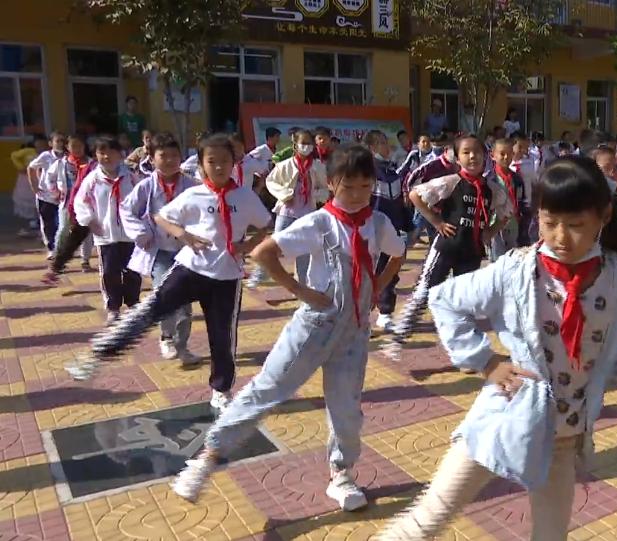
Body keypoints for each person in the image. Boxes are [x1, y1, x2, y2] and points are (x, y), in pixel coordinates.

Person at [377, 155, 617, 540]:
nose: (560, 236)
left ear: (603, 216)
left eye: (575, 225)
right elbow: (445, 300)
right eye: (549, 222)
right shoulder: (518, 269)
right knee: (431, 517)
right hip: (504, 418)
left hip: (564, 437)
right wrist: (486, 361)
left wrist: (607, 378)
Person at [170, 144, 405, 507]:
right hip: (313, 327)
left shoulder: (378, 222)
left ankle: (341, 476)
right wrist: (299, 289)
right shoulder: (318, 222)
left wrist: (376, 285)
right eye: (348, 187)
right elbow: (262, 252)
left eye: (364, 187)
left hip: (354, 332)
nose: (357, 195)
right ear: (331, 184)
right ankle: (206, 459)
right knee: (266, 391)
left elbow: (398, 253)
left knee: (346, 408)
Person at [66, 134, 272, 412]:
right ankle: (98, 354)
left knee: (222, 337)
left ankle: (221, 390)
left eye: (225, 161)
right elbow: (162, 216)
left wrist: (246, 245)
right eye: (212, 162)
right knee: (151, 309)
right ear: (201, 164)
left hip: (226, 276)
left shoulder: (245, 196)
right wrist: (184, 236)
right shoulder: (194, 194)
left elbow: (265, 225)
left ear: (234, 163)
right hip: (190, 269)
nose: (220, 167)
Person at [386, 135, 512, 354]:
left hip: (472, 252)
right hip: (445, 248)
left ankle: (465, 353)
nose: (472, 156)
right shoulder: (451, 182)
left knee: (465, 304)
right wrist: (436, 221)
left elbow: (506, 213)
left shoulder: (492, 189)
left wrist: (489, 232)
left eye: (477, 152)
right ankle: (397, 341)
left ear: (486, 156)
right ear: (457, 157)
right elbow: (416, 195)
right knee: (423, 292)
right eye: (466, 152)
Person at [120, 134, 199, 364]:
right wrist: (139, 233)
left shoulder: (192, 185)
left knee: (185, 301)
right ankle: (166, 337)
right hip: (160, 251)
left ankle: (182, 346)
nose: (170, 160)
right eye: (163, 156)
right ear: (152, 159)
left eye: (174, 156)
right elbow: (127, 210)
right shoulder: (146, 186)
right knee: (165, 293)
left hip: (186, 251)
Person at [72, 137, 141, 325]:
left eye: (110, 152)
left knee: (132, 271)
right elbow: (81, 202)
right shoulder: (93, 179)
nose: (106, 156)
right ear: (95, 155)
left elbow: (143, 199)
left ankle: (133, 303)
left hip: (130, 235)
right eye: (101, 152)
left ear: (120, 154)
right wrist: (89, 220)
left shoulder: (132, 177)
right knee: (109, 272)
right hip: (105, 235)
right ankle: (113, 307)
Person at [261, 129, 328, 284]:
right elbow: (271, 182)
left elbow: (325, 188)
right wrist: (285, 194)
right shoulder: (285, 165)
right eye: (303, 143)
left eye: (309, 144)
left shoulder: (317, 166)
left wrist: (314, 194)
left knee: (304, 251)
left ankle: (303, 284)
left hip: (307, 213)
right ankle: (262, 272)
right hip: (287, 212)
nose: (306, 147)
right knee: (275, 244)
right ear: (295, 145)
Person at [365, 130, 412, 332]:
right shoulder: (367, 172)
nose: (388, 147)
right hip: (369, 230)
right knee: (367, 273)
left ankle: (385, 313)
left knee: (390, 272)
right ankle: (362, 314)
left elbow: (398, 202)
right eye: (383, 143)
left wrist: (406, 224)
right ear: (372, 148)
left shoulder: (392, 171)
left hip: (390, 229)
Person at [40, 133, 97, 280]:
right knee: (64, 229)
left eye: (80, 146)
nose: (77, 149)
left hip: (87, 205)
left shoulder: (92, 165)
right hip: (68, 203)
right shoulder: (62, 163)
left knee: (86, 233)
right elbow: (49, 178)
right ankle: (57, 255)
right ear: (67, 147)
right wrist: (55, 191)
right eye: (74, 146)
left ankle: (85, 260)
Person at [403, 133, 458, 246]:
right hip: (425, 205)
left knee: (437, 237)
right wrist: (408, 193)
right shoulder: (432, 163)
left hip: (441, 208)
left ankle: (431, 258)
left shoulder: (457, 166)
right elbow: (411, 178)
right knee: (415, 233)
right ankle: (397, 253)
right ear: (446, 150)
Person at [487, 138, 530, 261]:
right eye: (502, 154)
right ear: (493, 155)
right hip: (494, 225)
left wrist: (523, 216)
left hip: (513, 222)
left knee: (513, 258)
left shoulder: (517, 178)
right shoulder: (488, 179)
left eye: (510, 153)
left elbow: (521, 198)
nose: (506, 157)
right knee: (497, 260)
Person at [27, 131, 68, 256]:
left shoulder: (68, 157)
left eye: (62, 141)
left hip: (63, 196)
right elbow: (31, 167)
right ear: (51, 143)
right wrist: (34, 186)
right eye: (57, 141)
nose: (60, 144)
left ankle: (61, 247)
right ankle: (51, 248)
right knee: (48, 223)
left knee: (63, 223)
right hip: (45, 196)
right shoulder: (46, 156)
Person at [11, 135, 45, 239]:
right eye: (38, 144)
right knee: (30, 202)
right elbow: (14, 155)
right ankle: (33, 224)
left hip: (41, 180)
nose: (40, 147)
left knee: (40, 202)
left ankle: (39, 225)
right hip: (27, 180)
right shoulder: (29, 151)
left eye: (43, 144)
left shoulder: (46, 155)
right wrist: (20, 167)